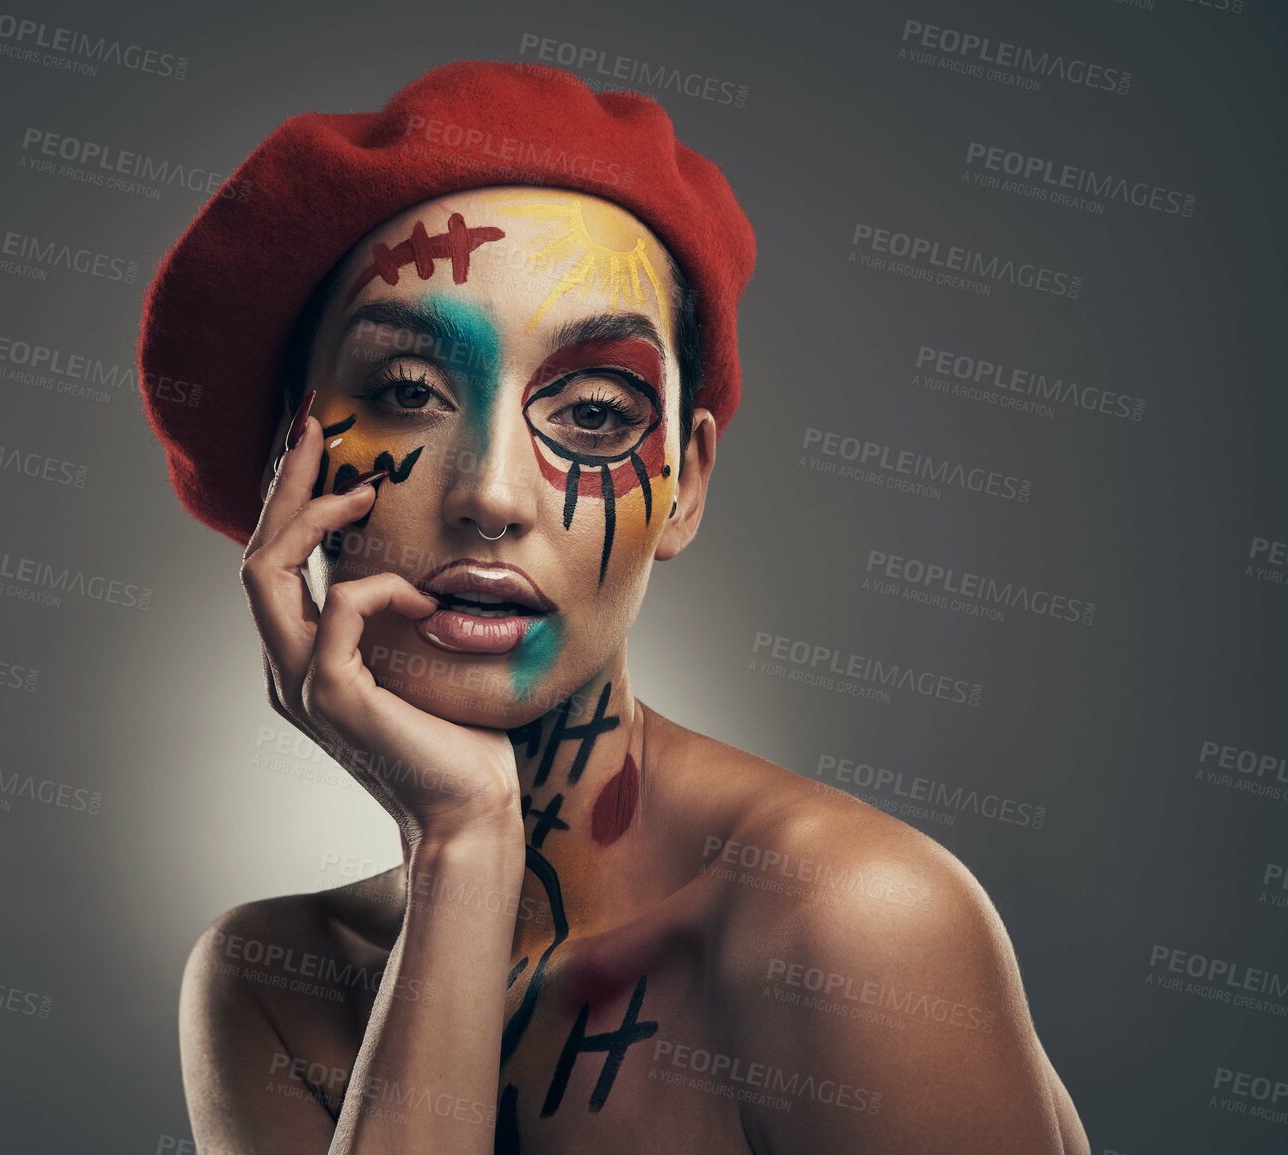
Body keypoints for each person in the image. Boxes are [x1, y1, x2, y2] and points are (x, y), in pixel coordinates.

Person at [140, 60, 1089, 1155]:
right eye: (408, 394)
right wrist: (465, 844)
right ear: (285, 475)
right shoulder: (269, 987)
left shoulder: (848, 921)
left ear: (684, 486)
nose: (491, 496)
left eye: (594, 411)